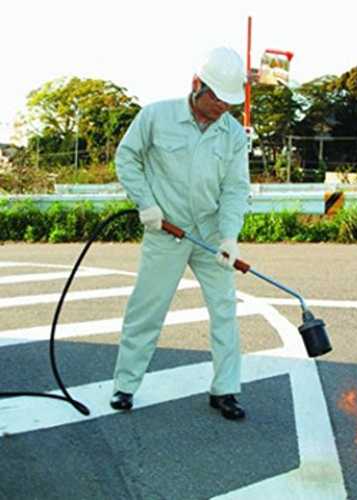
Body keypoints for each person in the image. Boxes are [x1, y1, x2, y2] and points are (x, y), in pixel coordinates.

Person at [110, 47, 250, 420]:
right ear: (196, 84)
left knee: (225, 310)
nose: (223, 107)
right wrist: (146, 203)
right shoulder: (156, 116)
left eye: (229, 101)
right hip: (165, 229)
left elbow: (235, 188)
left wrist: (229, 237)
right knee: (147, 308)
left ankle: (225, 390)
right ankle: (125, 385)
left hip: (210, 234)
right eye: (216, 98)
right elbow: (127, 158)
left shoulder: (233, 134)